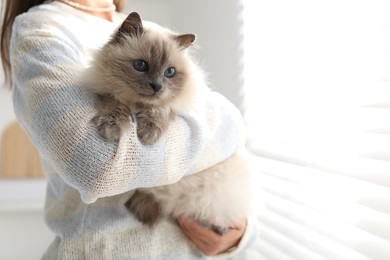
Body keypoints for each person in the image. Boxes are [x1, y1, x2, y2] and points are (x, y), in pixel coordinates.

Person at [1, 0, 258, 259]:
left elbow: (227, 154)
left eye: (168, 73)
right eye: (141, 67)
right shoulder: (40, 28)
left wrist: (239, 235)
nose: (157, 84)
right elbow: (98, 166)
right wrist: (230, 123)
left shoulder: (153, 30)